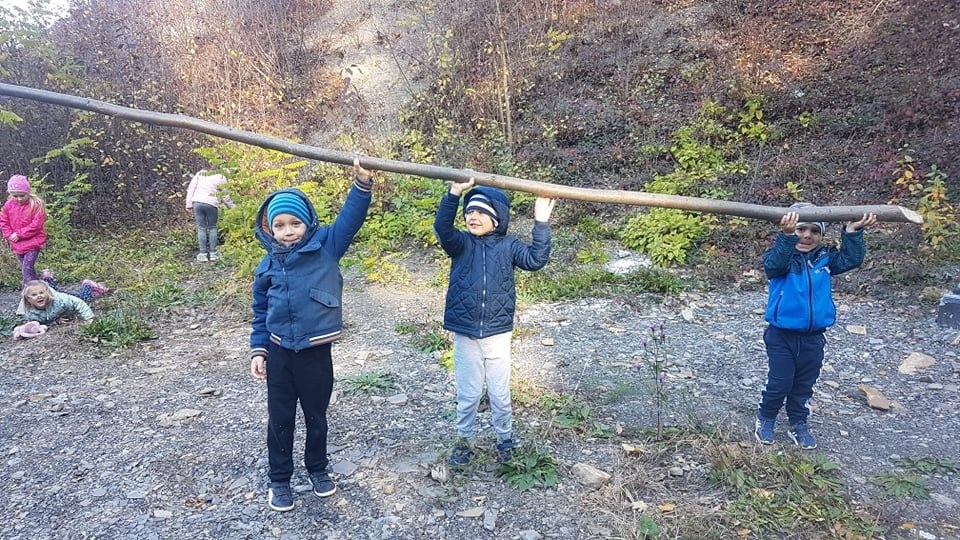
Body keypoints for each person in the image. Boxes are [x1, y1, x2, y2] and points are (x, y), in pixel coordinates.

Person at [249, 158, 374, 512]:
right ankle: (279, 479)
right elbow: (260, 313)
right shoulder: (267, 265)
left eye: (295, 223)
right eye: (280, 225)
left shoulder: (326, 247)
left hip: (316, 353)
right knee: (280, 419)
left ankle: (317, 469)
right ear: (269, 228)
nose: (288, 231)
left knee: (316, 416)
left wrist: (362, 183)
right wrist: (258, 350)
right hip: (279, 354)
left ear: (308, 223)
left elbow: (350, 219)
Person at [434, 178, 555, 468]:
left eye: (481, 212)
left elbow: (535, 260)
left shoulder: (509, 246)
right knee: (469, 393)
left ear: (497, 218)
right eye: (469, 211)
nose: (472, 216)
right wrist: (454, 193)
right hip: (466, 332)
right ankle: (464, 440)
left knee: (500, 393)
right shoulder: (461, 244)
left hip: (497, 332)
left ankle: (505, 439)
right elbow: (442, 228)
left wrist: (541, 220)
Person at [755, 203, 877, 449]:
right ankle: (766, 418)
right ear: (791, 230)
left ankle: (798, 423)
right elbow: (774, 265)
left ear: (821, 235)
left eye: (814, 231)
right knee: (780, 383)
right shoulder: (782, 258)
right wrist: (787, 236)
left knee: (803, 385)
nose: (807, 235)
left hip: (813, 337)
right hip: (781, 335)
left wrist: (852, 232)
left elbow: (852, 259)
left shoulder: (825, 259)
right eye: (801, 229)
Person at [1, 175, 48, 287]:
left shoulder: (36, 205)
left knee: (26, 268)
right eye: (15, 196)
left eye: (22, 195)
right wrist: (9, 235)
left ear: (28, 192)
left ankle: (28, 290)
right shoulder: (8, 205)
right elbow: (3, 221)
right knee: (28, 269)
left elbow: (36, 225)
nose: (19, 199)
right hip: (17, 243)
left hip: (33, 243)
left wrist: (19, 234)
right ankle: (40, 288)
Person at [185, 169, 234, 262]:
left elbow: (191, 188)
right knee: (212, 227)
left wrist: (188, 204)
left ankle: (202, 254)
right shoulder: (221, 177)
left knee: (201, 228)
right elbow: (225, 196)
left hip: (197, 202)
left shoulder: (201, 173)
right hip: (211, 204)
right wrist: (233, 208)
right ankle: (213, 253)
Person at [20, 279, 94, 325]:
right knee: (56, 289)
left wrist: (89, 318)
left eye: (41, 293)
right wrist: (55, 321)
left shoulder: (60, 300)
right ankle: (48, 279)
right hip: (53, 292)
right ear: (28, 300)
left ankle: (88, 285)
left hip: (64, 297)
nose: (39, 296)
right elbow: (41, 323)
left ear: (47, 293)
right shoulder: (31, 314)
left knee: (85, 297)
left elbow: (78, 302)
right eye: (34, 295)